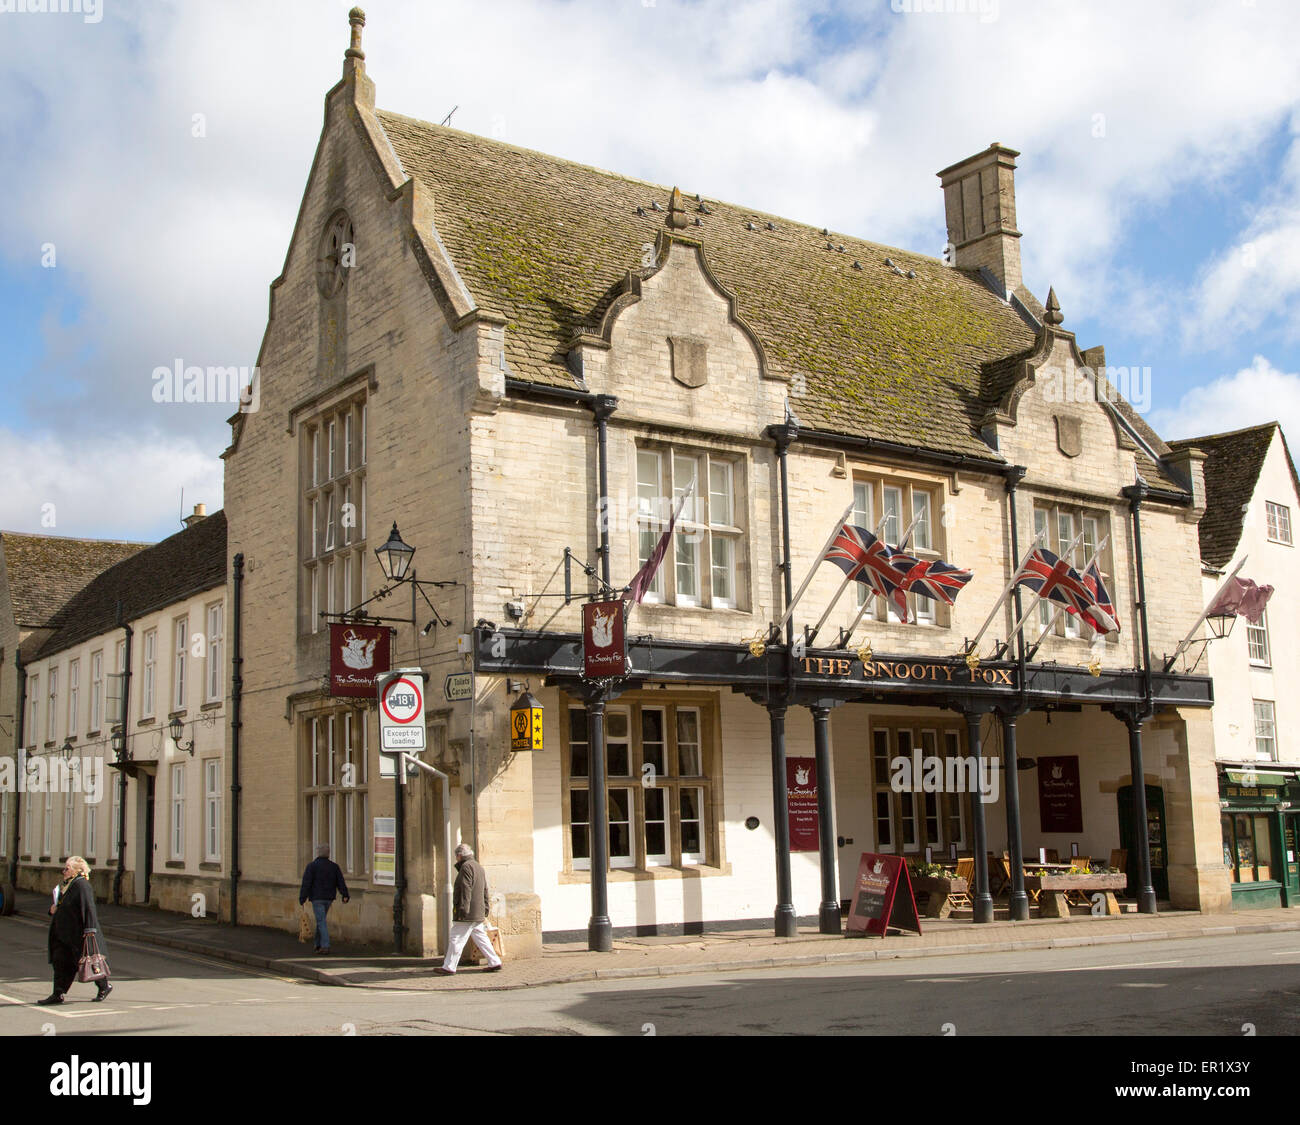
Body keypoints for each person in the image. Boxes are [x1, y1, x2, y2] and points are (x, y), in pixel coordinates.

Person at [42, 856, 110, 1005]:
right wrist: (53, 910)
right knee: (61, 962)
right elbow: (62, 905)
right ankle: (57, 993)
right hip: (64, 933)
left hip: (78, 933)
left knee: (89, 962)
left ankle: (104, 986)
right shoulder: (68, 884)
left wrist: (90, 930)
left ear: (77, 870)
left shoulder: (81, 885)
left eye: (67, 868)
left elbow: (89, 908)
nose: (63, 871)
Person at [435, 843, 502, 975]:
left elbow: (466, 890)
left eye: (456, 857)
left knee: (456, 938)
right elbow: (485, 889)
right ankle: (494, 961)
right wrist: (486, 907)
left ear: (459, 856)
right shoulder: (478, 866)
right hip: (477, 911)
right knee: (480, 936)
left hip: (468, 912)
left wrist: (462, 909)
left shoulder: (466, 867)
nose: (456, 859)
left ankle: (449, 967)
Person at [299, 844, 350, 954]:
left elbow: (306, 883)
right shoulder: (334, 866)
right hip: (328, 898)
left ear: (318, 853)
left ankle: (325, 945)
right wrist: (345, 895)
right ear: (328, 853)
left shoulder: (312, 866)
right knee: (320, 920)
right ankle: (317, 944)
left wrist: (302, 898)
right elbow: (340, 882)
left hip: (317, 898)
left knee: (321, 921)